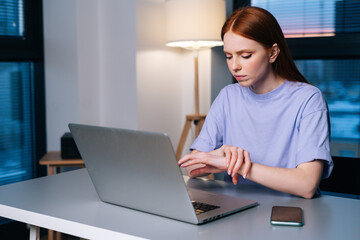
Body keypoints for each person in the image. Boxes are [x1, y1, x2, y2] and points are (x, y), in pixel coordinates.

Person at [178, 6, 333, 199]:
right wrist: (220, 153)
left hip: (289, 213)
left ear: (273, 53)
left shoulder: (309, 99)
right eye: (228, 56)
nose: (234, 66)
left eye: (246, 55)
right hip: (235, 211)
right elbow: (192, 168)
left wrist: (238, 165)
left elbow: (307, 185)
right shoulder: (228, 96)